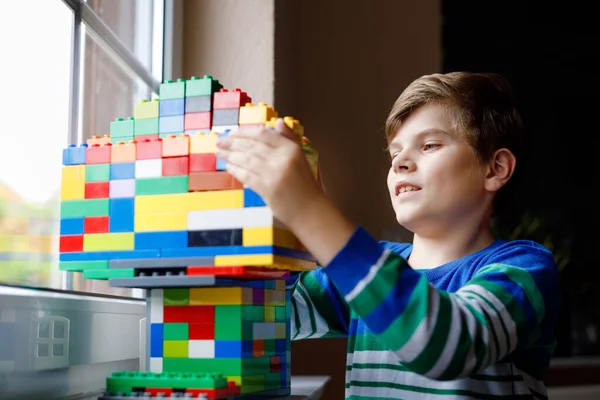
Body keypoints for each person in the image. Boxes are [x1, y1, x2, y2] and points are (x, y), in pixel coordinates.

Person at [215, 71, 560, 399]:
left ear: (495, 168)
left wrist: (310, 212)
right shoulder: (367, 273)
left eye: (429, 145)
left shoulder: (524, 270)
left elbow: (447, 345)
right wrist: (289, 230)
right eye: (395, 153)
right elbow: (266, 317)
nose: (400, 162)